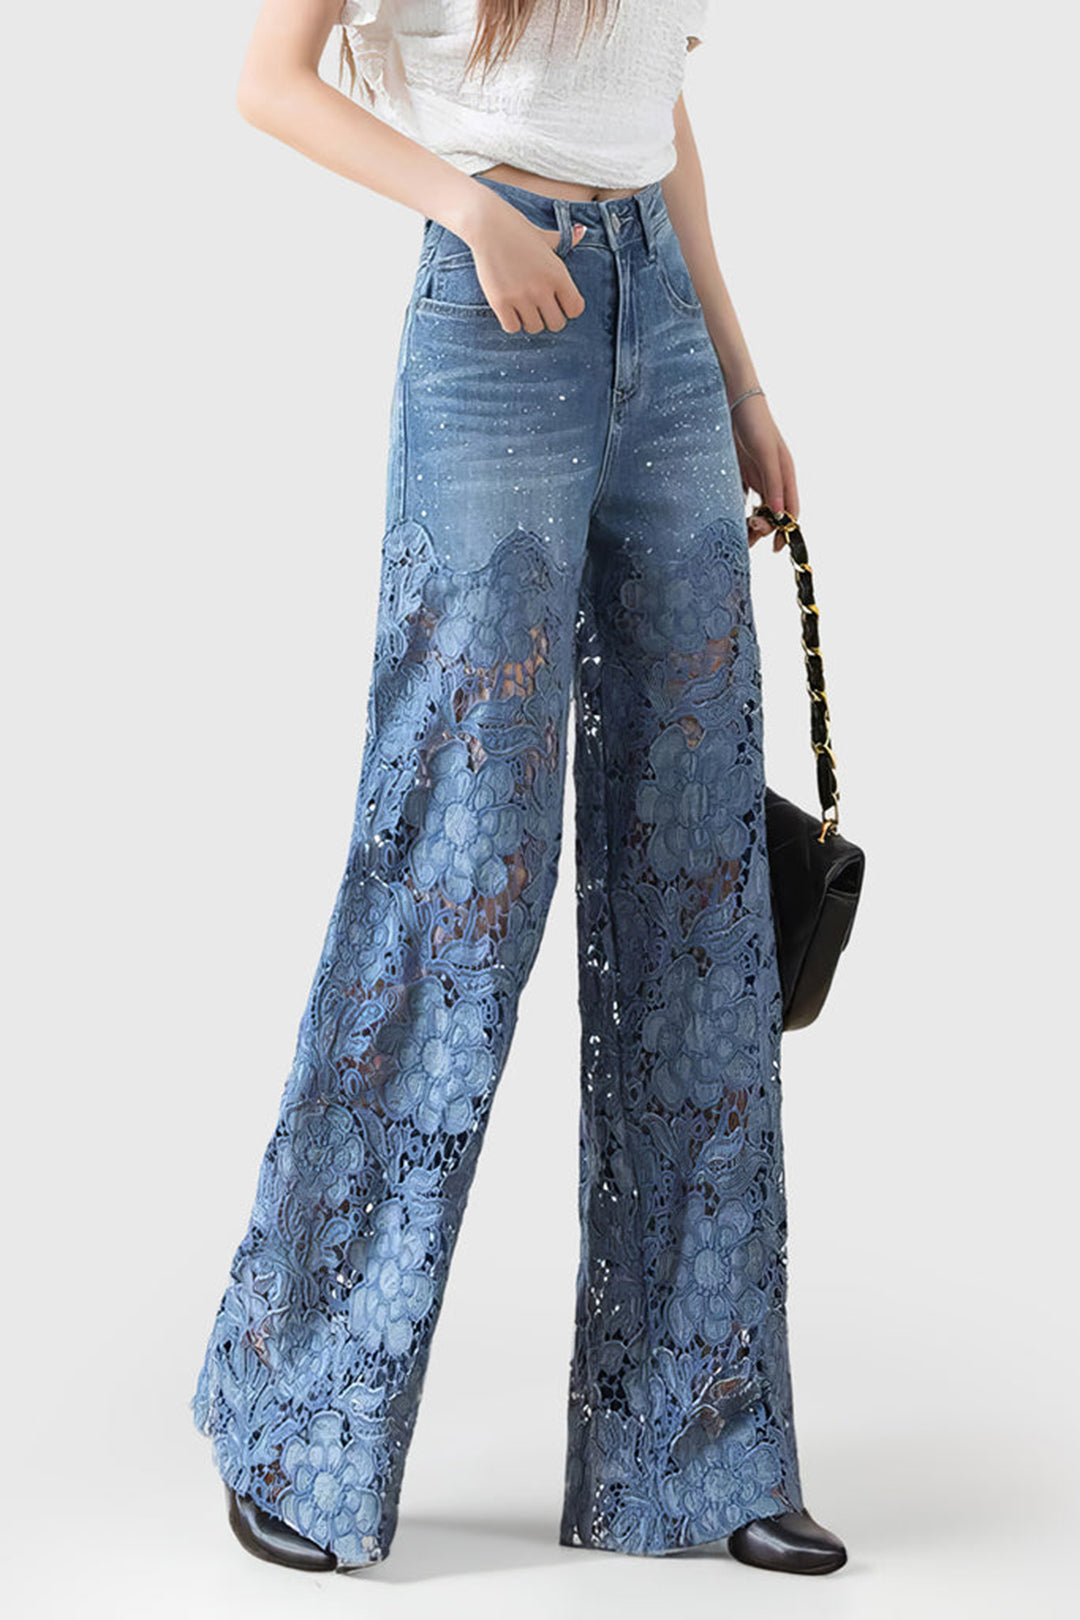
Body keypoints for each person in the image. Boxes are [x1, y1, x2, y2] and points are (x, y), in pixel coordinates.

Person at [190, 0, 847, 1579]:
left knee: (698, 887)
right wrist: (465, 204)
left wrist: (743, 380)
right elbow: (270, 81)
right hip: (491, 321)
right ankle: (298, 1416)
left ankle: (698, 1450)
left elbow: (657, 120)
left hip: (662, 334)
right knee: (456, 878)